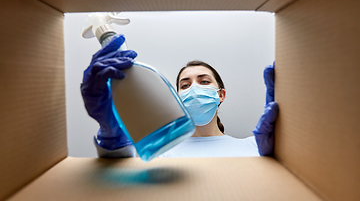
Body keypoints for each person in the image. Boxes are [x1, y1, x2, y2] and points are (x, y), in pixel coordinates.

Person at [81, 34, 279, 158]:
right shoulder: (158, 152)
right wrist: (110, 133)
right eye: (185, 85)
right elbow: (117, 184)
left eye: (204, 81)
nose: (194, 89)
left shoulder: (255, 146)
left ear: (221, 95)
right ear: (177, 98)